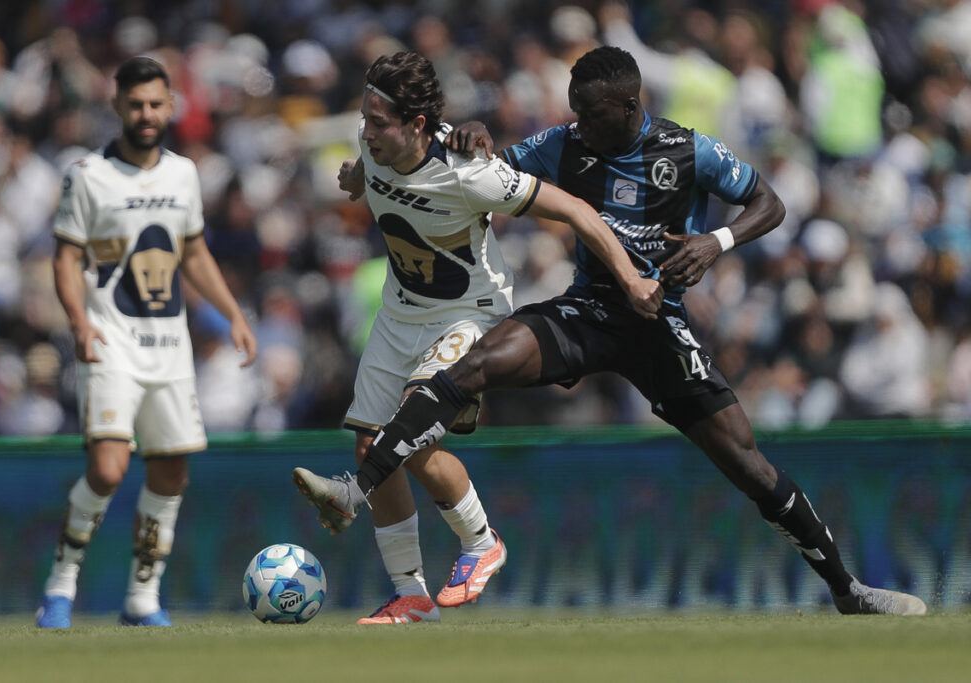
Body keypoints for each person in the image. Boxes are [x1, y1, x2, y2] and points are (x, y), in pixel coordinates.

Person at [294, 46, 927, 616]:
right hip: (590, 308)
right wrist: (473, 135)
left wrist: (716, 239)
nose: (579, 125)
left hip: (658, 323)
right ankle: (370, 499)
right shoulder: (567, 142)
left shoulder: (688, 150)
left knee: (748, 465)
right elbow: (488, 173)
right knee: (476, 363)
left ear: (628, 106)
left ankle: (848, 590)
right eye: (574, 111)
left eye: (591, 114)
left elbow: (771, 204)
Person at [294, 50, 661, 625]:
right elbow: (369, 170)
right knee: (371, 447)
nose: (366, 130)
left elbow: (580, 213)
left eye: (378, 122)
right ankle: (411, 596)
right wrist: (355, 176)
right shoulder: (373, 141)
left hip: (468, 314)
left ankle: (483, 543)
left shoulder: (470, 171)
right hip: (399, 312)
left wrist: (633, 277)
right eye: (364, 119)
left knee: (410, 435)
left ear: (417, 125)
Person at [35, 56, 257, 628]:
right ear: (117, 106)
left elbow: (195, 252)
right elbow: (65, 259)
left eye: (157, 103)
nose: (147, 113)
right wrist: (80, 324)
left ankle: (143, 596)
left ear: (171, 106)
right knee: (108, 468)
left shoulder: (183, 174)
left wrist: (231, 313)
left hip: (170, 346)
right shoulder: (86, 175)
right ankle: (60, 585)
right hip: (110, 341)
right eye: (136, 104)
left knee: (170, 473)